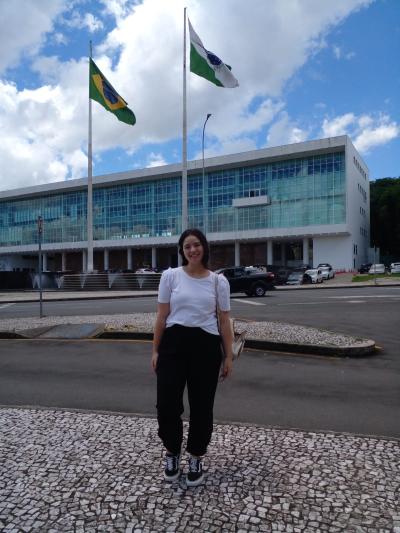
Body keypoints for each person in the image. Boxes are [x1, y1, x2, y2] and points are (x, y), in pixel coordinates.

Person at [152, 228, 233, 486]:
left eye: (196, 245)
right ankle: (172, 452)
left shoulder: (219, 282)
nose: (192, 250)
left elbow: (224, 320)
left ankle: (196, 455)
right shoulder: (170, 277)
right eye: (187, 246)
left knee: (201, 407)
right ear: (182, 250)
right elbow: (162, 316)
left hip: (206, 347)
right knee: (167, 405)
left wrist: (228, 356)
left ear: (204, 247)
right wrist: (155, 350)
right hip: (173, 345)